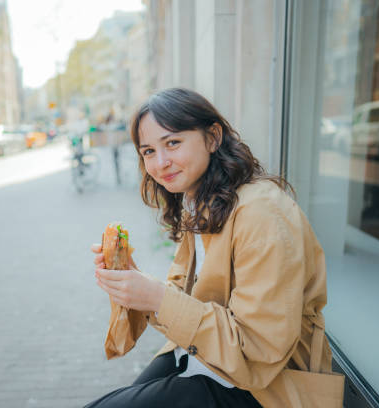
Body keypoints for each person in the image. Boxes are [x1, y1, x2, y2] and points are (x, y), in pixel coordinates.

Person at [87, 88, 336, 407]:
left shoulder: (262, 213)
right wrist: (134, 283)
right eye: (148, 151)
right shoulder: (202, 203)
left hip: (265, 389)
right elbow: (185, 303)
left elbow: (258, 352)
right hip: (207, 361)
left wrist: (156, 297)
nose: (160, 163)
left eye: (172, 143)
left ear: (213, 137)